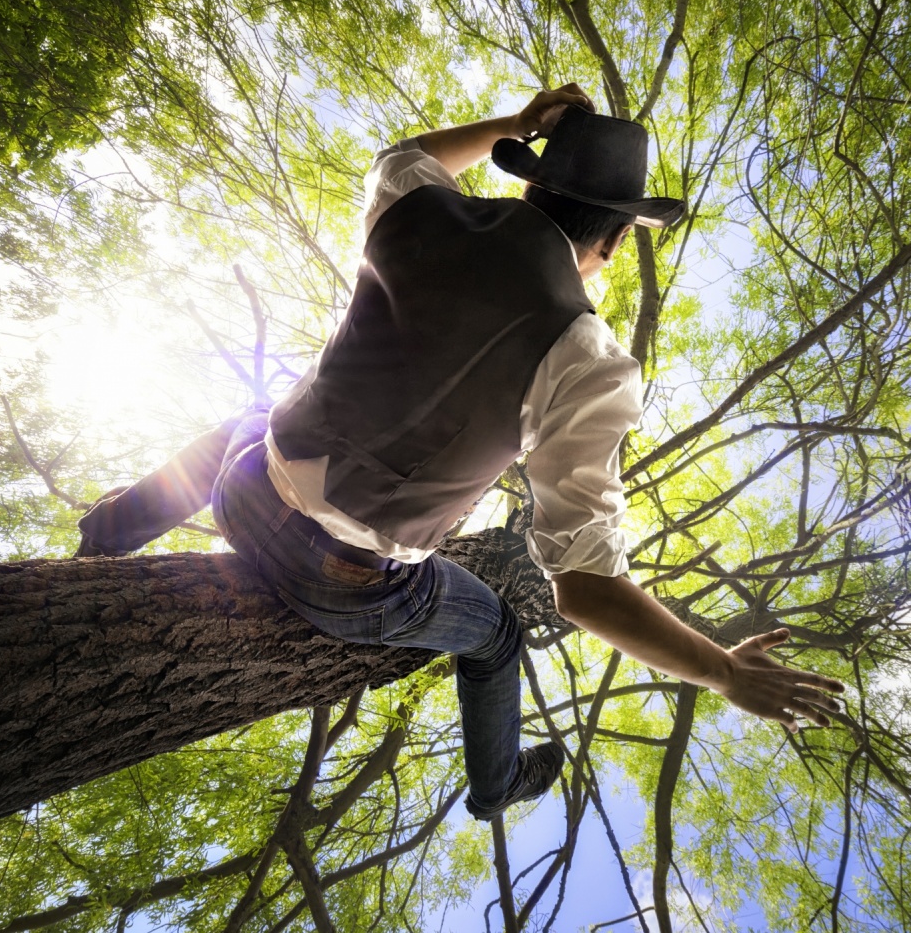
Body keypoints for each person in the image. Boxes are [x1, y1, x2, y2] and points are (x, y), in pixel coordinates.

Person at [76, 84, 846, 821]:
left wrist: (513, 119)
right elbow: (583, 590)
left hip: (243, 487)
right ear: (612, 241)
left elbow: (408, 153)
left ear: (529, 187)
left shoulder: (412, 210)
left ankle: (108, 531)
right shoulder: (588, 359)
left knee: (250, 419)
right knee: (498, 636)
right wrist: (722, 670)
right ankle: (497, 786)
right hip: (337, 584)